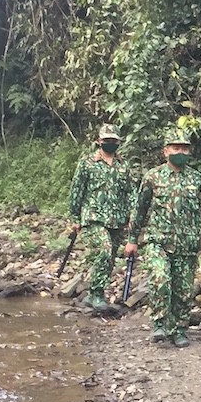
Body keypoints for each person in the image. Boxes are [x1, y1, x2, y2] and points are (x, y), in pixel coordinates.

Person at [126, 126, 201, 345]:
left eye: (184, 149)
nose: (180, 152)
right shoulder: (153, 177)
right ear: (166, 151)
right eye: (176, 148)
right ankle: (160, 324)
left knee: (183, 290)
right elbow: (140, 208)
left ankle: (178, 328)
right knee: (161, 279)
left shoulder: (197, 179)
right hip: (158, 241)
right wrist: (132, 239)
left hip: (187, 244)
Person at [66, 124, 137, 312]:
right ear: (99, 141)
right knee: (104, 250)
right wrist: (74, 218)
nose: (110, 143)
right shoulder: (87, 163)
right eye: (107, 140)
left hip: (117, 219)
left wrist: (133, 214)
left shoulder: (124, 166)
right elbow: (77, 191)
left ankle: (98, 293)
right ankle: (95, 293)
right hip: (93, 217)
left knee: (111, 257)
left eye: (114, 141)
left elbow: (131, 192)